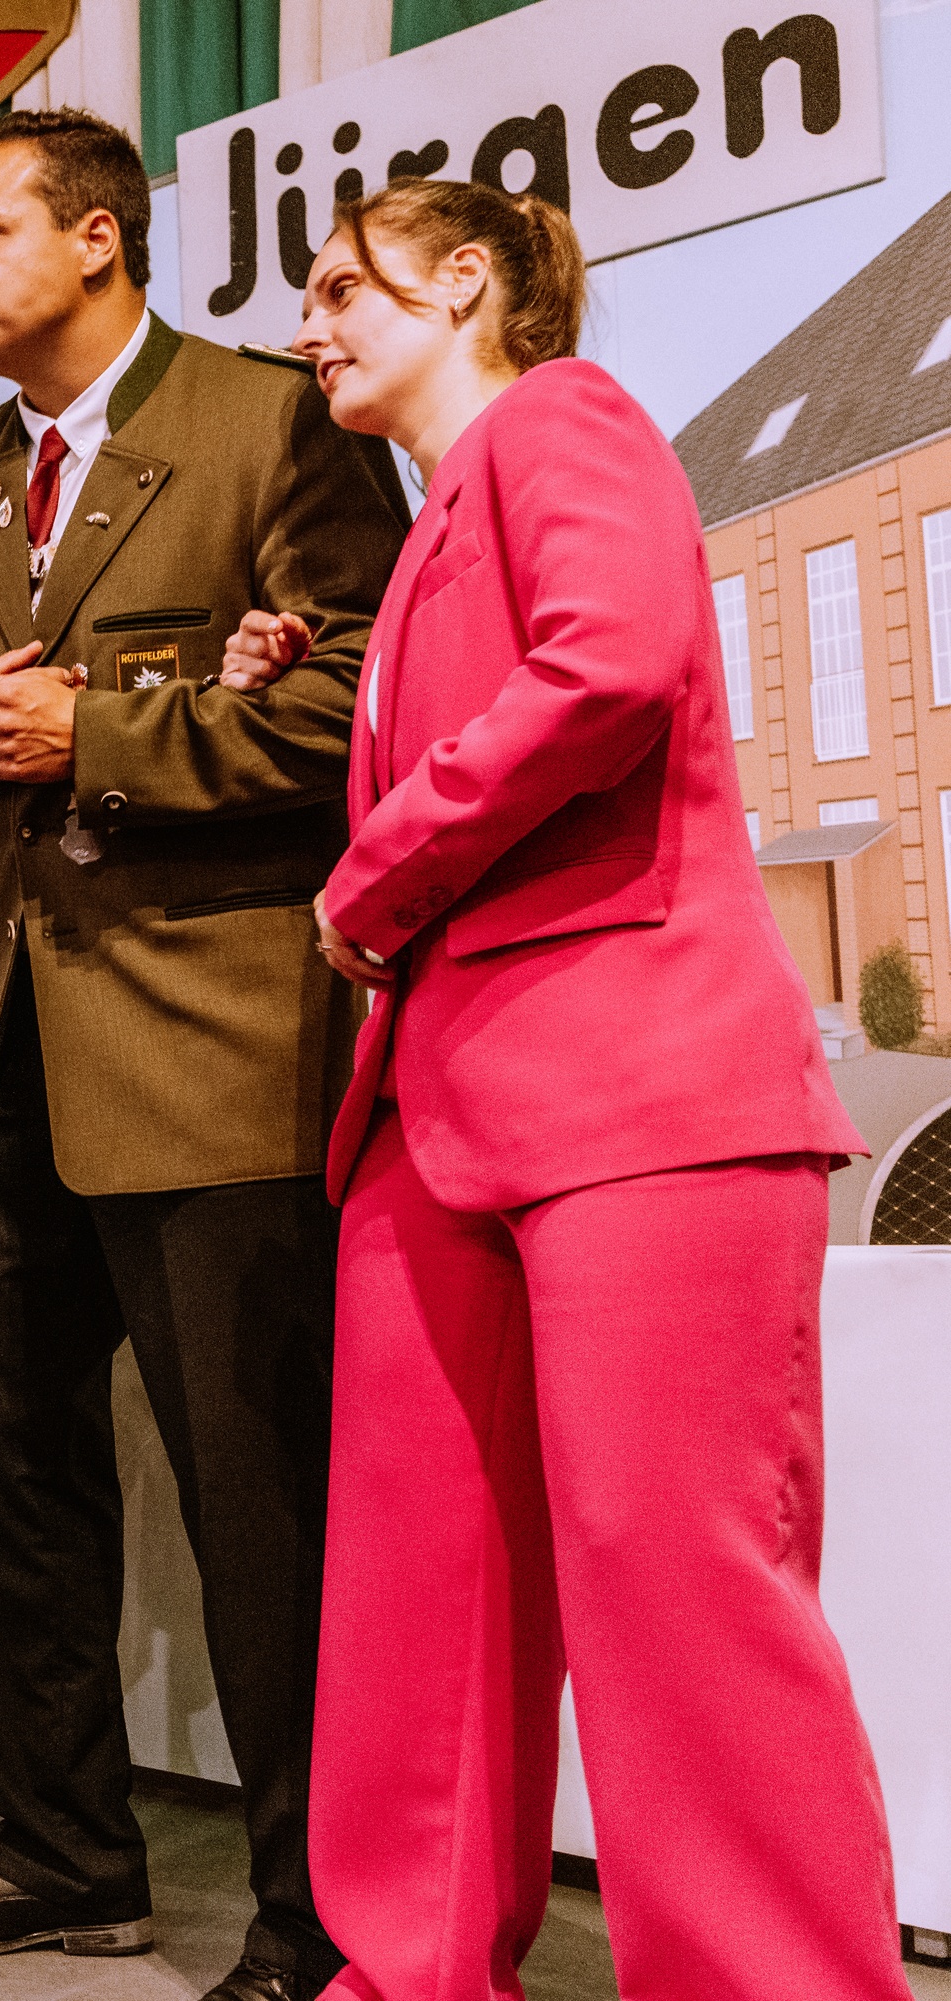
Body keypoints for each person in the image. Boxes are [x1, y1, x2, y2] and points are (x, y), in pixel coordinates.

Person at [250, 180, 907, 2001]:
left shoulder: (563, 416)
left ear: (467, 283)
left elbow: (610, 660)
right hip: (433, 1113)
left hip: (638, 1090)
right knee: (421, 1587)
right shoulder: (425, 530)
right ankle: (408, 1970)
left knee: (678, 1582)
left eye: (343, 287)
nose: (309, 325)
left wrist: (373, 871)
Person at [0, 109, 403, 1998]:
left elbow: (360, 699)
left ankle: (324, 1919)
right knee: (8, 1485)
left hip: (222, 1052)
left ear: (97, 237)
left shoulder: (274, 421)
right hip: (2, 1063)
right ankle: (64, 1857)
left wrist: (105, 736)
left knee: (267, 1515)